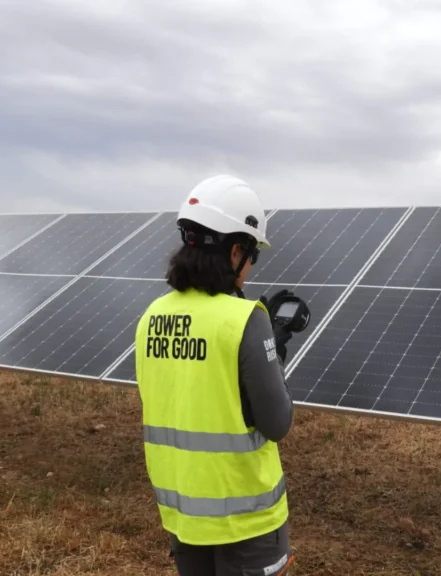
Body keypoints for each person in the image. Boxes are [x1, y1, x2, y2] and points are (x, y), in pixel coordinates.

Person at [134, 174, 296, 576]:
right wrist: (272, 353)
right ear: (236, 250)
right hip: (247, 522)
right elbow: (278, 423)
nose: (251, 267)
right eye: (252, 255)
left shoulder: (152, 316)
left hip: (184, 516)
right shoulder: (245, 321)